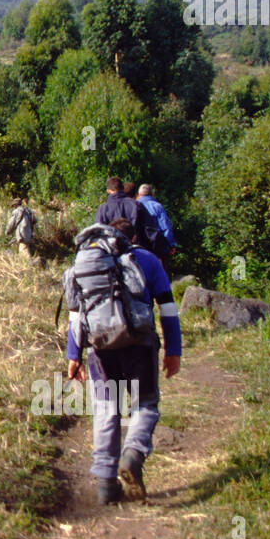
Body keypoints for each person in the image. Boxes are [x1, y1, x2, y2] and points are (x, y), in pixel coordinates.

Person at [65, 217, 181, 505]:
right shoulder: (146, 259)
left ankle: (105, 484)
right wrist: (173, 349)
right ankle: (133, 454)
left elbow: (76, 315)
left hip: (99, 348)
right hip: (139, 344)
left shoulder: (88, 263)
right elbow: (166, 306)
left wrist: (73, 355)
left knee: (106, 408)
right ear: (132, 237)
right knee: (145, 404)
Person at [95, 176, 161, 249]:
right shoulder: (136, 205)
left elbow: (99, 232)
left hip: (113, 252)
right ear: (123, 188)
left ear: (108, 190)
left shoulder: (103, 208)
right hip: (136, 250)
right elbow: (150, 230)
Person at [136, 183, 177, 271]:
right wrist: (170, 245)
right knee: (159, 274)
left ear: (139, 195)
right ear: (151, 194)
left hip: (140, 245)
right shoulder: (157, 206)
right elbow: (165, 227)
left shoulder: (134, 206)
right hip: (157, 246)